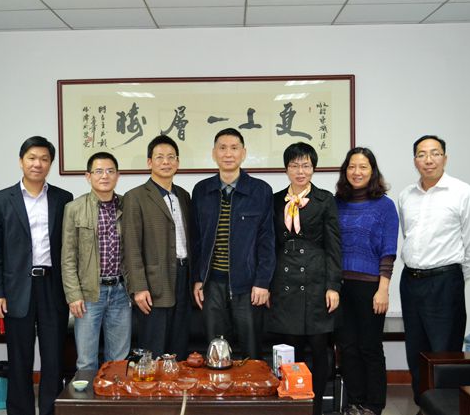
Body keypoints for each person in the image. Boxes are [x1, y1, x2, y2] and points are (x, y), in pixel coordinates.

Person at [0, 136, 73, 415]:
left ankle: (51, 410)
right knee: (19, 358)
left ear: (50, 164)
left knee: (53, 357)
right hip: (16, 288)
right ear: (21, 161)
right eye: (32, 158)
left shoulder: (63, 198)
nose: (38, 164)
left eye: (44, 159)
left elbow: (68, 248)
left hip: (52, 286)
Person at [399, 135, 470, 404]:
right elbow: (409, 236)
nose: (428, 160)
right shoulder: (406, 196)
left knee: (445, 353)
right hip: (410, 281)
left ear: (445, 158)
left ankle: (447, 408)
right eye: (422, 154)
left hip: (445, 281)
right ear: (415, 160)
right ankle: (423, 405)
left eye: (435, 153)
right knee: (416, 352)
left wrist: (454, 278)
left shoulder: (463, 192)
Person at [267, 142, 341, 415]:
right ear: (286, 169)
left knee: (319, 350)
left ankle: (316, 407)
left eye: (306, 165)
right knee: (290, 351)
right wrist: (267, 284)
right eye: (295, 165)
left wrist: (333, 286)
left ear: (313, 168)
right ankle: (292, 407)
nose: (300, 171)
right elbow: (269, 245)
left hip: (316, 283)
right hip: (284, 284)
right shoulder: (275, 200)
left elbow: (334, 246)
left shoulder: (325, 199)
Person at [191, 128, 275, 360]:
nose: (228, 154)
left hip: (248, 286)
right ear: (214, 153)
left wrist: (262, 282)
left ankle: (253, 386)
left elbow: (267, 241)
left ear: (243, 153)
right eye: (222, 148)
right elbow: (196, 240)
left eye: (234, 148)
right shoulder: (201, 190)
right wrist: (198, 278)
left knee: (251, 351)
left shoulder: (260, 190)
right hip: (212, 284)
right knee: (216, 351)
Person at [334, 147, 399, 415]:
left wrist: (383, 289)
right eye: (352, 166)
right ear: (345, 171)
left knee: (369, 347)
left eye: (363, 167)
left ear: (372, 171)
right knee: (347, 347)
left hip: (371, 287)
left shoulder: (385, 206)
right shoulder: (336, 203)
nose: (357, 172)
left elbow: (388, 251)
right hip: (340, 287)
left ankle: (373, 405)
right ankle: (354, 401)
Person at [122, 135, 191, 359]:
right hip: (153, 284)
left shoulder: (184, 195)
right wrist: (139, 287)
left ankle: (178, 383)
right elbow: (131, 246)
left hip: (183, 278)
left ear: (178, 162)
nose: (166, 162)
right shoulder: (135, 197)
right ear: (149, 162)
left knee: (179, 348)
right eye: (160, 157)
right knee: (154, 349)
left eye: (171, 157)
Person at [61, 151, 131, 371]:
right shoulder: (74, 208)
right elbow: (68, 257)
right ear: (88, 176)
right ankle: (89, 394)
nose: (105, 176)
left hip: (121, 292)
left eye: (110, 171)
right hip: (89, 293)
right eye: (99, 171)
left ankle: (113, 394)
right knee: (86, 360)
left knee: (118, 360)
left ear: (117, 176)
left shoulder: (128, 206)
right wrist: (73, 295)